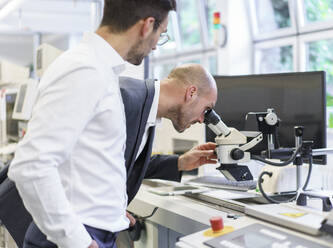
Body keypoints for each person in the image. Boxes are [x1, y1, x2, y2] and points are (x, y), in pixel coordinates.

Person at [8, 0, 177, 247]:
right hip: (75, 238)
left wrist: (112, 212)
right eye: (160, 35)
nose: (155, 46)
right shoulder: (84, 69)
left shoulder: (102, 70)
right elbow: (31, 166)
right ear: (146, 25)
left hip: (92, 231)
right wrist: (78, 241)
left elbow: (92, 159)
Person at [119, 64, 218, 209]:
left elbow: (126, 164)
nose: (202, 120)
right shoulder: (123, 97)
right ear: (191, 93)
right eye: (206, 109)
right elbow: (82, 161)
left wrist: (180, 162)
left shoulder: (148, 110)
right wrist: (111, 207)